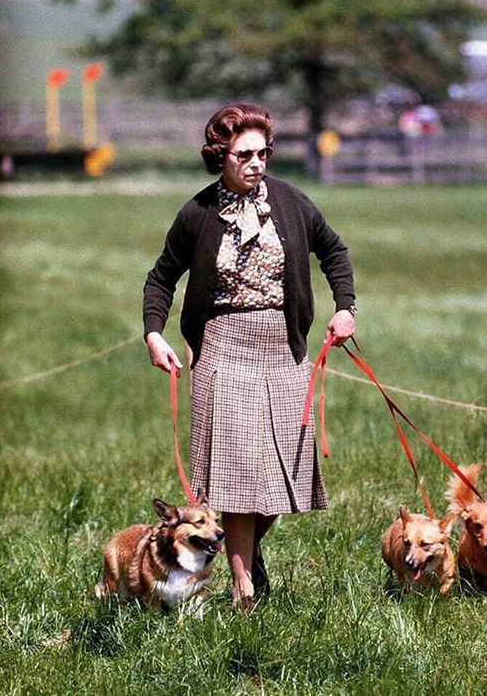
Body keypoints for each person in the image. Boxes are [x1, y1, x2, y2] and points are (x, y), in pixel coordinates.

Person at [143, 103, 356, 609]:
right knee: (238, 475)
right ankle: (244, 590)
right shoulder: (197, 214)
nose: (256, 163)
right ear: (221, 156)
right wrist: (154, 334)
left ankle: (247, 550)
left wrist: (345, 308)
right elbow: (161, 278)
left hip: (283, 347)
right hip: (222, 347)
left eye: (263, 153)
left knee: (281, 476)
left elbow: (334, 252)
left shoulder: (292, 201)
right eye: (244, 155)